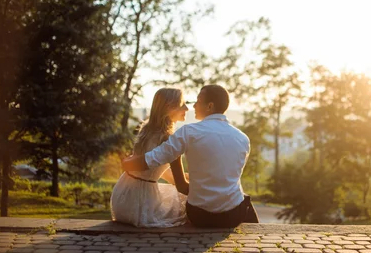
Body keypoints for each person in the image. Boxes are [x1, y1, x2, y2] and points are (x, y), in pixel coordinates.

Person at [122, 84, 259, 228]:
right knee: (241, 197)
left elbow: (154, 158)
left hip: (200, 216)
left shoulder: (188, 132)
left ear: (210, 106)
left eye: (198, 101)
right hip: (233, 216)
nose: (193, 106)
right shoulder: (243, 138)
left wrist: (127, 162)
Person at [110, 88, 189, 227]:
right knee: (184, 203)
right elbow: (182, 186)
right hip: (141, 205)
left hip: (122, 197)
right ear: (170, 107)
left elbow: (151, 169)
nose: (187, 108)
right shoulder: (169, 140)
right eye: (182, 104)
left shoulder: (146, 129)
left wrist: (182, 177)